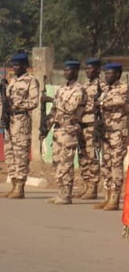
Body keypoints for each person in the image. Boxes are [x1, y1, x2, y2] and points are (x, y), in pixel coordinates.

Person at [45, 60, 86, 205]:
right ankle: (60, 191)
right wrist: (46, 126)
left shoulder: (79, 90)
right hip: (58, 129)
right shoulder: (61, 89)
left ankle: (66, 194)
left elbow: (70, 108)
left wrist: (53, 101)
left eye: (69, 70)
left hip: (69, 129)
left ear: (75, 72)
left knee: (66, 163)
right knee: (57, 162)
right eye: (65, 70)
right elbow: (54, 110)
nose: (66, 72)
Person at [94, 62, 129, 211]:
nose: (107, 76)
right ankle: (107, 196)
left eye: (110, 73)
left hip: (118, 132)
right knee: (106, 164)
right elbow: (97, 103)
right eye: (106, 73)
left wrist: (102, 103)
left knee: (116, 164)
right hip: (106, 131)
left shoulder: (124, 87)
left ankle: (115, 198)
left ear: (117, 74)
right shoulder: (105, 88)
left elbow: (119, 102)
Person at [4, 53, 40, 199]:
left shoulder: (31, 81)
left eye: (18, 65)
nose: (15, 67)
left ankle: (20, 186)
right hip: (9, 119)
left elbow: (33, 102)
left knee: (21, 154)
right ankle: (13, 184)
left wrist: (15, 104)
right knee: (9, 153)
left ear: (25, 66)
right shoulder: (12, 81)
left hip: (21, 119)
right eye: (13, 65)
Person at [77, 57, 103, 200]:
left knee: (92, 156)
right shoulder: (84, 86)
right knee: (82, 156)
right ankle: (86, 184)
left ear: (98, 69)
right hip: (82, 124)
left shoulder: (103, 86)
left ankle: (93, 187)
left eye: (90, 68)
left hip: (92, 124)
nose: (87, 70)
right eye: (86, 68)